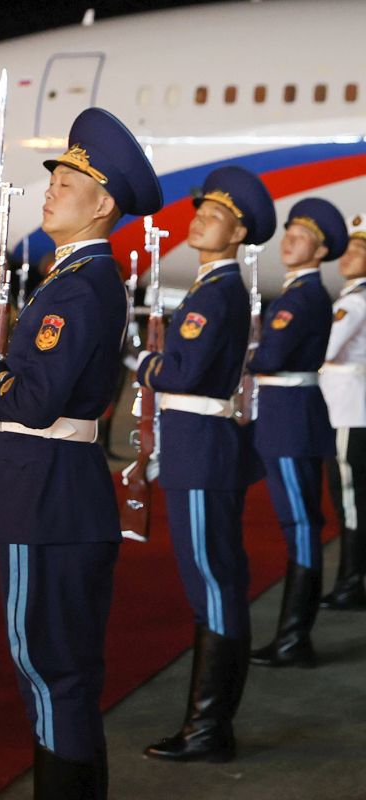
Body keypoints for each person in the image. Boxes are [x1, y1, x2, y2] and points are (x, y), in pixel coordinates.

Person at [0, 107, 162, 797]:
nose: (49, 190)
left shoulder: (78, 285)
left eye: (67, 182)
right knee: (66, 672)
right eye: (52, 179)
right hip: (60, 491)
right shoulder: (77, 277)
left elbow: (31, 401)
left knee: (46, 668)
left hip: (44, 498)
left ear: (103, 203)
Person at [137, 166, 276, 762]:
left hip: (201, 450)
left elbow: (184, 371)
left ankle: (208, 729)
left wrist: (144, 363)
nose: (199, 221)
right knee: (214, 582)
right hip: (199, 446)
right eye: (200, 211)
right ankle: (208, 724)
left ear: (239, 232)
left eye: (215, 216)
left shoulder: (216, 291)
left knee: (214, 586)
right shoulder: (210, 286)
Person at [247, 198, 346, 668]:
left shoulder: (302, 296)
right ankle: (293, 635)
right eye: (289, 232)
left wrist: (238, 352)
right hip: (288, 415)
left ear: (321, 250)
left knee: (301, 524)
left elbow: (270, 357)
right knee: (298, 522)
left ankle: (293, 638)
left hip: (291, 419)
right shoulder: (299, 292)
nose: (289, 240)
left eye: (301, 236)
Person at [318, 212, 366, 609]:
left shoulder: (353, 303)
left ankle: (351, 584)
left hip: (348, 413)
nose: (347, 256)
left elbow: (326, 349)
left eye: (358, 250)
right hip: (349, 411)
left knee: (350, 501)